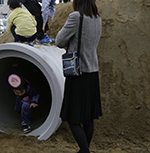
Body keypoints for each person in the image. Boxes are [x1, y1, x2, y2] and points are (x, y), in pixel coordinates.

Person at [55, 0, 102, 152]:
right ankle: (84, 150)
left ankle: (85, 151)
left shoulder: (76, 17)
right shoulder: (97, 17)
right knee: (88, 117)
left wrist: (69, 43)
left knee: (72, 118)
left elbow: (59, 41)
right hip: (92, 71)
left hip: (78, 73)